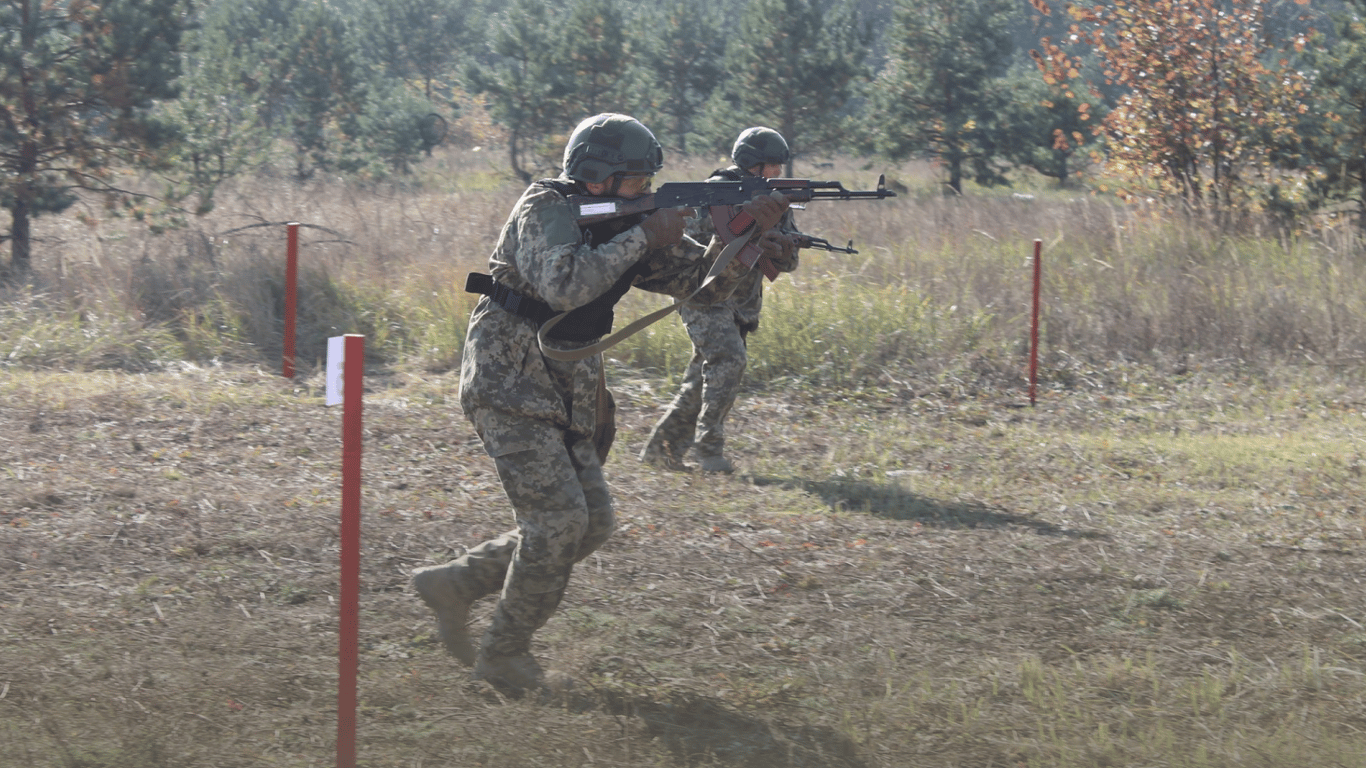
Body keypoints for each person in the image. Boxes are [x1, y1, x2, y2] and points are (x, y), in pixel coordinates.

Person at [411, 113, 789, 696]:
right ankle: (503, 658)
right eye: (636, 182)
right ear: (599, 176)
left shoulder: (632, 220)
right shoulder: (544, 208)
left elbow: (703, 291)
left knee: (591, 524)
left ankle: (457, 585)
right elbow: (564, 284)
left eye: (646, 184)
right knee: (560, 521)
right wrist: (645, 233)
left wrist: (742, 240)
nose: (644, 193)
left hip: (569, 385)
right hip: (508, 380)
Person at [640, 127, 801, 473]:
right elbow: (692, 252)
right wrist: (745, 231)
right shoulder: (712, 194)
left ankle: (660, 450)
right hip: (702, 295)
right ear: (751, 164)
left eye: (778, 166)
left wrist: (780, 248)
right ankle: (709, 451)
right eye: (770, 165)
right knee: (729, 361)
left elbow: (787, 263)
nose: (776, 172)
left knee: (702, 379)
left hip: (741, 303)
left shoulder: (774, 201)